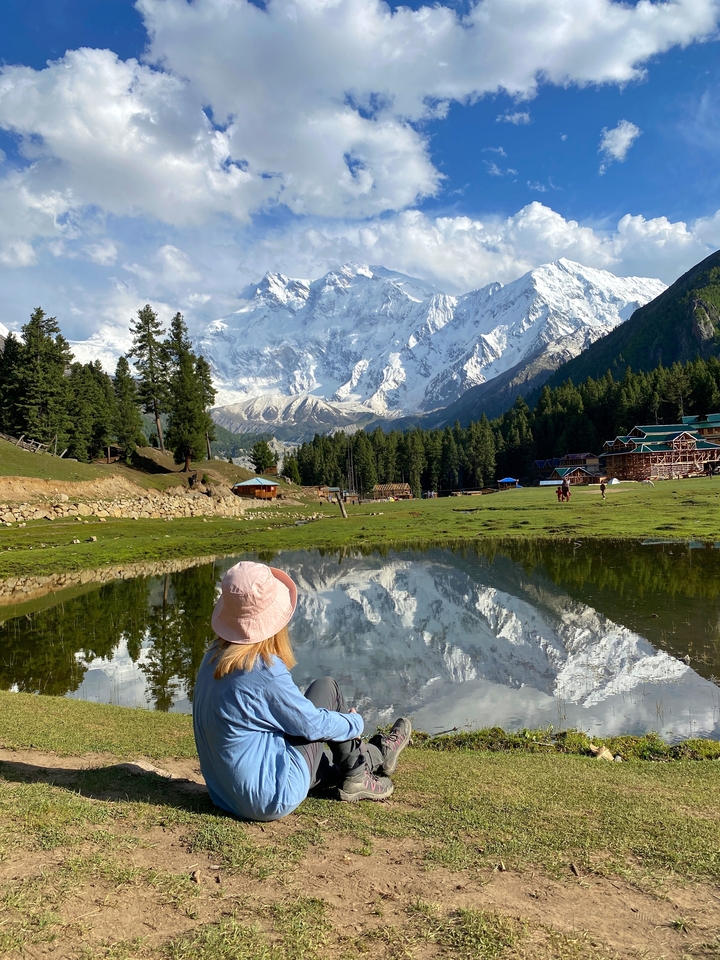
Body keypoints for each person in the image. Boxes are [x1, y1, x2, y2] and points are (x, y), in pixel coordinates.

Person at [193, 561, 411, 822]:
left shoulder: (212, 659)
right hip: (268, 797)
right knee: (326, 688)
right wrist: (354, 723)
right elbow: (311, 724)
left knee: (316, 747)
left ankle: (376, 755)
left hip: (226, 794)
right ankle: (358, 775)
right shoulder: (263, 670)